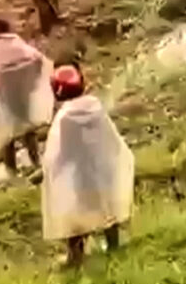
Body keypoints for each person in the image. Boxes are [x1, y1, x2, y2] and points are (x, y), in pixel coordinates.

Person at [42, 64, 134, 270]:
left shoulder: (64, 118)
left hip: (78, 177)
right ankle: (113, 246)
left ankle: (75, 256)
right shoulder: (96, 107)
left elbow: (59, 154)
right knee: (107, 209)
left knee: (76, 216)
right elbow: (109, 138)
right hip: (102, 170)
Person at [0, 16, 54, 182]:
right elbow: (39, 60)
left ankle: (11, 171)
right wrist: (31, 81)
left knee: (8, 135)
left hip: (7, 99)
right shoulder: (17, 43)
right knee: (28, 131)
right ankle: (36, 163)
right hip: (24, 96)